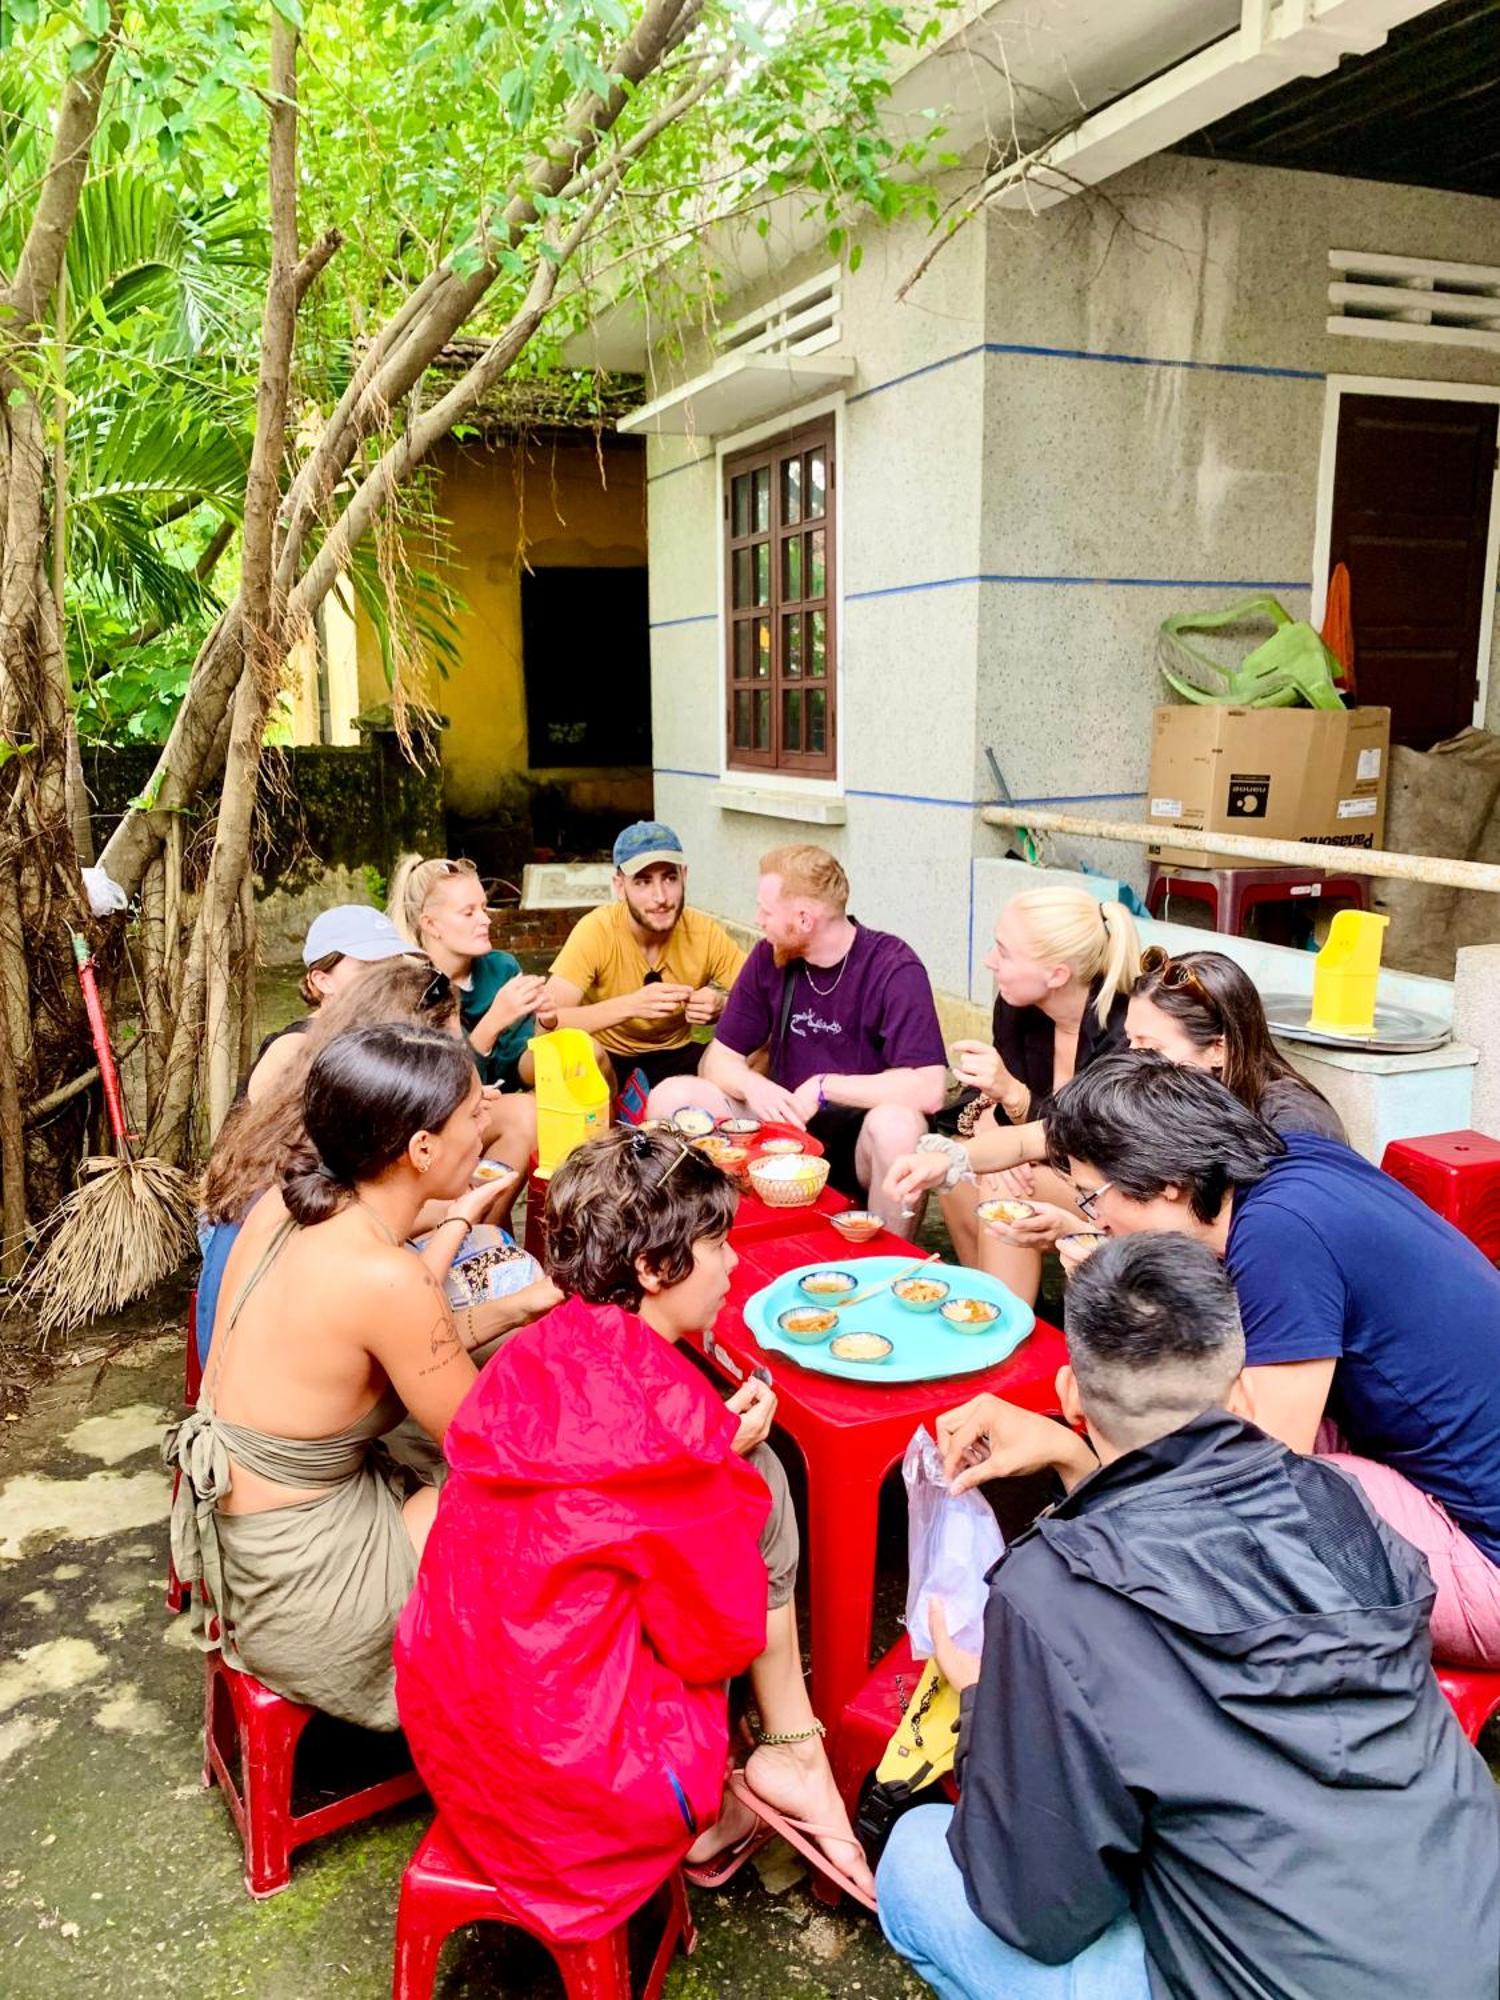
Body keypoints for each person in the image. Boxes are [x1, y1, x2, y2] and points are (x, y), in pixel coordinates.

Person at [877, 1234, 1500, 2000]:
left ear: (1071, 1395)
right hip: (1468, 1934)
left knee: (914, 1863)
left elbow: (1039, 1913)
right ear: (1238, 1391)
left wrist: (984, 1701)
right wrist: (1079, 1470)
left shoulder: (1049, 1595)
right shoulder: (1340, 1501)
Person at [395, 1126, 875, 1943]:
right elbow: (715, 1640)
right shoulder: (670, 1429)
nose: (731, 1265)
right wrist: (713, 1475)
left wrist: (703, 1459)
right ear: (653, 1269)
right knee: (761, 1498)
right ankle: (779, 1767)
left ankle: (784, 1764)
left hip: (457, 1741)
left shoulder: (529, 1355)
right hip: (581, 1786)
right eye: (717, 1245)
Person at [1042, 1051, 1500, 1667]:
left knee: (1224, 1500)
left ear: (1168, 1185)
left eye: (1091, 1198)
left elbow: (1261, 1470)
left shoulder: (1280, 1240)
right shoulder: (1289, 1159)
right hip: (1447, 1472)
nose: (1094, 1219)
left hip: (1486, 1562)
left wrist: (1081, 1455)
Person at [165, 1024, 496, 1729]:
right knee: (525, 1507)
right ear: (422, 1149)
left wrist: (459, 1224)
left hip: (245, 1547)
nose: (490, 1118)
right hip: (310, 1590)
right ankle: (527, 1731)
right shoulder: (386, 1278)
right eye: (475, 1110)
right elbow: (487, 1442)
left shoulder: (288, 1204)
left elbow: (384, 1327)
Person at [195, 957, 555, 1370]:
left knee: (493, 1249)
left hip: (273, 1324)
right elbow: (388, 1269)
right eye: (446, 1052)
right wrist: (456, 1217)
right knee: (507, 1272)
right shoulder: (328, 1162)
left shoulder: (329, 1095)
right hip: (280, 1358)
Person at [649, 845, 946, 1236]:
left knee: (899, 1126)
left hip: (860, 1142)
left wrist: (825, 1087)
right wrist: (754, 1085)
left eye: (766, 912)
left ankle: (887, 1258)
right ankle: (697, 1240)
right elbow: (715, 1062)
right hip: (783, 1131)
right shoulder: (769, 957)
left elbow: (930, 1090)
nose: (758, 920)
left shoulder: (893, 967)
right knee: (672, 1096)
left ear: (804, 919)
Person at [883, 887, 1139, 1292]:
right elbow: (978, 1105)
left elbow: (1092, 1143)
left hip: (1120, 1185)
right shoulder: (1019, 1008)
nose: (989, 961)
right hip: (1049, 1156)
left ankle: (1004, 1329)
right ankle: (980, 1304)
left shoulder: (1126, 1030)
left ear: (1056, 974)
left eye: (1004, 952)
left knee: (1007, 1197)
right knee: (958, 1179)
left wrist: (1013, 1100)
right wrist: (995, 1129)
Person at [539, 821, 745, 1104]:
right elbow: (545, 1028)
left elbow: (766, 1001)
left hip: (681, 1060)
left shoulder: (703, 932)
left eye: (670, 878)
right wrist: (632, 1005)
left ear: (684, 876)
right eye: (643, 881)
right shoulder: (596, 930)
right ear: (620, 886)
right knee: (578, 1051)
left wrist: (722, 1004)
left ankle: (713, 1125)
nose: (660, 898)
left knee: (762, 1045)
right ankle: (611, 1129)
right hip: (610, 1062)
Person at [1126, 944, 1346, 1142]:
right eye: (1129, 1040)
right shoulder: (1183, 1102)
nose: (1130, 1057)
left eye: (1152, 1048)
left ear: (1218, 1050)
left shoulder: (1295, 1127)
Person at [387, 853, 545, 1127]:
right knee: (525, 1113)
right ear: (430, 924)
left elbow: (517, 1071)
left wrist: (546, 1024)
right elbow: (442, 1090)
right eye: (468, 912)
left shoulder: (502, 968)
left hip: (497, 1109)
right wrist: (494, 1021)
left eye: (484, 908)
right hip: (437, 1121)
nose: (486, 920)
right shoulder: (409, 988)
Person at [243, 904, 413, 1102]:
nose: (387, 977)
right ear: (322, 980)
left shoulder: (396, 1035)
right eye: (369, 966)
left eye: (394, 964)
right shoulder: (292, 1052)